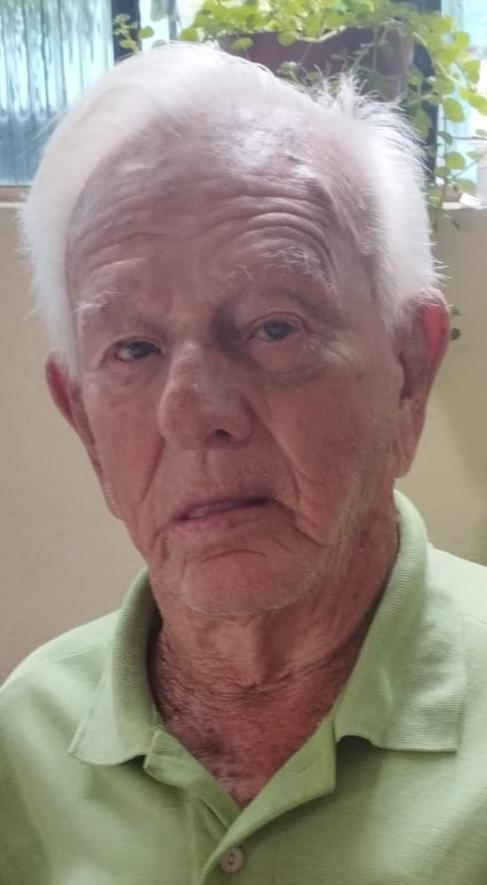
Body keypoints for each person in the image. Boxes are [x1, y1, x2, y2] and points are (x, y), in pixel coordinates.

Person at [1, 43, 486, 885]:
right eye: (133, 348)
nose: (192, 412)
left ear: (408, 370)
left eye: (273, 326)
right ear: (83, 425)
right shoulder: (24, 738)